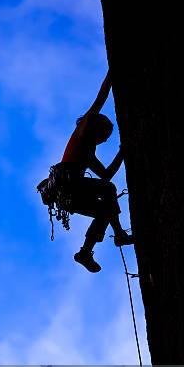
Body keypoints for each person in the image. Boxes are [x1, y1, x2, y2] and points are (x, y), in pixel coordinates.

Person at [60, 70, 133, 272]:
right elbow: (101, 97)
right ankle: (119, 235)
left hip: (68, 192)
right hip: (68, 185)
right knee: (108, 190)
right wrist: (112, 73)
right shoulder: (83, 130)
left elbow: (106, 174)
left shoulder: (87, 152)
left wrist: (121, 153)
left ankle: (85, 252)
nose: (104, 141)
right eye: (105, 136)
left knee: (104, 211)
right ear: (97, 130)